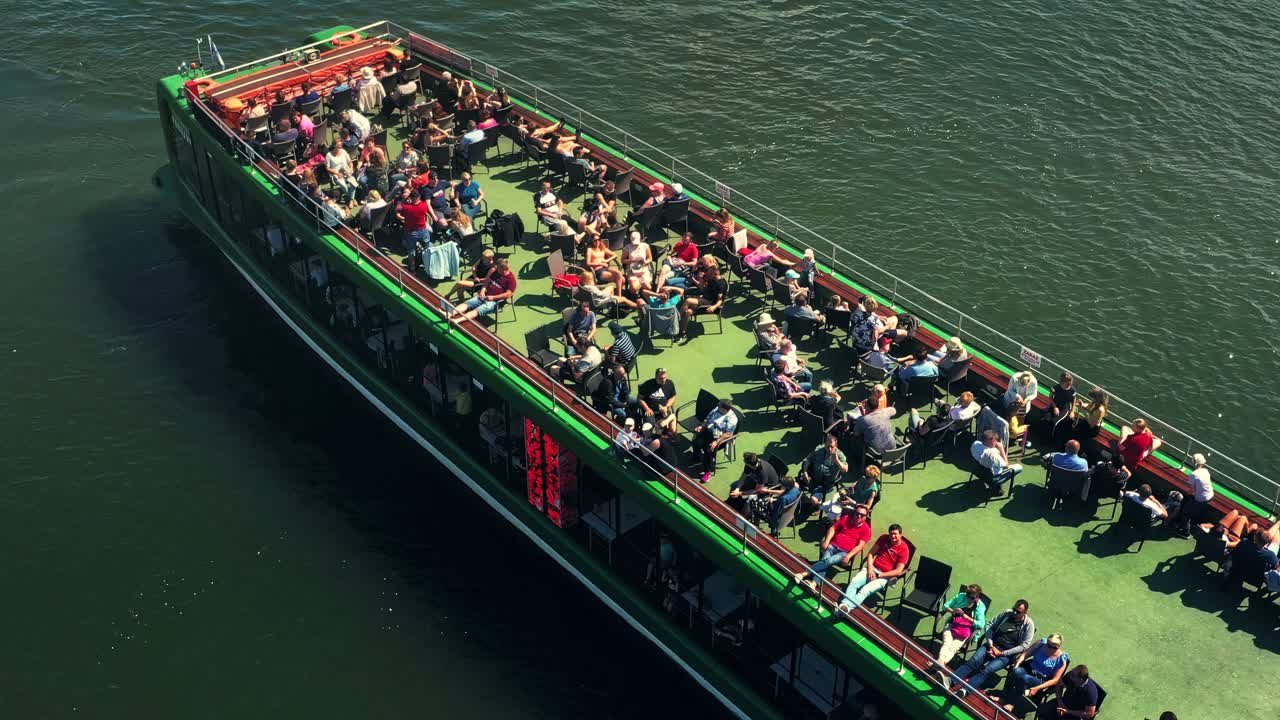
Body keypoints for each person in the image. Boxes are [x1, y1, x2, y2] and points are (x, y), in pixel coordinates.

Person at [949, 599, 1036, 697]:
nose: (1014, 613)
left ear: (1025, 612)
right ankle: (951, 681)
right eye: (1014, 609)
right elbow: (990, 625)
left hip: (1005, 655)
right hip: (991, 646)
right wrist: (990, 645)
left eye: (1018, 612)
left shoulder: (1029, 625)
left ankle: (965, 690)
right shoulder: (1006, 614)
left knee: (987, 670)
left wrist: (1002, 653)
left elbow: (1025, 645)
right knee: (972, 661)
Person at [794, 503, 871, 591]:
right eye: (857, 513)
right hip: (833, 546)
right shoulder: (846, 519)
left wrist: (849, 556)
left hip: (844, 552)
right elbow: (833, 528)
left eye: (862, 515)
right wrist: (826, 541)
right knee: (825, 561)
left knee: (828, 561)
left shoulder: (866, 529)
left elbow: (860, 546)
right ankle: (814, 583)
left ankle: (803, 574)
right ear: (854, 513)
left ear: (866, 516)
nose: (859, 516)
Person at [837, 524, 911, 611]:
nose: (892, 536)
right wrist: (870, 570)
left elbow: (898, 571)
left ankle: (845, 607)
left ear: (900, 534)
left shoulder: (904, 549)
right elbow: (871, 554)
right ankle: (844, 607)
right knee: (854, 582)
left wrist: (879, 575)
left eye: (895, 534)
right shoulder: (883, 538)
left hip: (884, 576)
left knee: (865, 590)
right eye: (891, 534)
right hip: (872, 568)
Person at [1002, 634, 1069, 709]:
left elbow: (1055, 680)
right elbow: (1026, 653)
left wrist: (1036, 688)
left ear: (1057, 647)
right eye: (1047, 644)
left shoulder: (1062, 659)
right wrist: (1017, 664)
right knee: (1016, 671)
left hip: (1040, 679)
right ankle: (1004, 696)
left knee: (1024, 678)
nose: (1047, 647)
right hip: (1029, 669)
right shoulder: (1041, 643)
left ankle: (1011, 703)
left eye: (1050, 646)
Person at [933, 584, 987, 672]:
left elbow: (981, 624)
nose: (969, 599)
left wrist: (967, 618)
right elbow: (945, 606)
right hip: (952, 625)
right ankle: (940, 663)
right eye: (968, 596)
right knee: (947, 642)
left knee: (953, 647)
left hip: (965, 631)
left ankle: (938, 663)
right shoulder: (961, 596)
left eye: (972, 597)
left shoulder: (981, 607)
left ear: (977, 597)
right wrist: (953, 611)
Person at [448, 257, 516, 322]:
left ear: (503, 269)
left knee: (477, 310)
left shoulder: (511, 280)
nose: (496, 268)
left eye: (497, 268)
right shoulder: (496, 272)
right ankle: (449, 313)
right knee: (467, 303)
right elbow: (487, 281)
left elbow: (508, 294)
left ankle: (457, 320)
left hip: (495, 302)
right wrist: (482, 291)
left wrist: (493, 298)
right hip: (484, 296)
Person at [692, 399, 739, 482]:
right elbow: (707, 420)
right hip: (708, 431)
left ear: (725, 410)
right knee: (696, 441)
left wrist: (716, 441)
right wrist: (701, 426)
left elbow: (728, 434)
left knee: (709, 450)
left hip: (719, 438)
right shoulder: (716, 409)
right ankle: (697, 458)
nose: (718, 407)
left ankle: (707, 472)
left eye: (720, 407)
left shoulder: (732, 419)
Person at [971, 430, 1023, 494]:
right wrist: (1001, 449)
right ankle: (995, 486)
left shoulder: (975, 443)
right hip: (991, 478)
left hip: (977, 471)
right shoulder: (993, 453)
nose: (996, 442)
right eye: (995, 440)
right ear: (990, 440)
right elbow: (1006, 466)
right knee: (1019, 467)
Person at [681, 263, 727, 334]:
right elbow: (703, 289)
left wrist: (714, 307)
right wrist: (699, 279)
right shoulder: (712, 280)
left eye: (711, 272)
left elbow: (720, 300)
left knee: (688, 301)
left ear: (717, 272)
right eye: (709, 271)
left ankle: (677, 319)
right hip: (704, 299)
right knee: (688, 312)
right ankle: (682, 331)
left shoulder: (721, 284)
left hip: (710, 304)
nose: (708, 273)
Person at [1176, 453, 1214, 537]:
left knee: (1186, 512)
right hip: (1210, 496)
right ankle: (1192, 523)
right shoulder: (1206, 471)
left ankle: (1185, 532)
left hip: (1201, 499)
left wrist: (1184, 494)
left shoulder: (1194, 474)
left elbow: (1191, 491)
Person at [638, 368, 678, 435]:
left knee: (672, 424)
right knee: (648, 427)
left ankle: (673, 437)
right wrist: (647, 408)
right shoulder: (647, 384)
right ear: (656, 377)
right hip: (651, 412)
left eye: (664, 378)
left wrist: (667, 406)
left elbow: (673, 397)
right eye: (660, 378)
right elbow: (639, 398)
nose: (663, 380)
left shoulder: (670, 383)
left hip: (664, 410)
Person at [396, 189, 433, 255]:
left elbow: (424, 212)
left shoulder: (409, 204)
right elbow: (398, 215)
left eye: (408, 192)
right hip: (409, 224)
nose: (406, 194)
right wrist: (406, 219)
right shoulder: (402, 203)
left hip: (418, 224)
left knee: (430, 230)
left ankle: (420, 245)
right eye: (405, 192)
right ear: (402, 194)